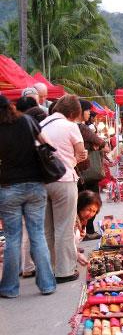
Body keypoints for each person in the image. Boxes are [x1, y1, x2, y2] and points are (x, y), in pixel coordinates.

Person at [0, 95, 56, 297]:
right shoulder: (27, 120)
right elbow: (47, 144)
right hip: (35, 185)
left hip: (8, 188)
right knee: (37, 235)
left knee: (13, 238)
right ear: (10, 106)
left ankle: (9, 288)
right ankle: (47, 285)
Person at [40, 94, 88, 283]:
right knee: (64, 227)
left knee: (47, 229)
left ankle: (50, 269)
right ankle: (65, 270)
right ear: (72, 113)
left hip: (41, 181)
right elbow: (81, 153)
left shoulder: (41, 125)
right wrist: (77, 157)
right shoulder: (70, 127)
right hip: (64, 179)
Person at [77, 100, 106, 240]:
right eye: (88, 110)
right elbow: (101, 142)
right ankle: (88, 230)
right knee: (90, 202)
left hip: (79, 171)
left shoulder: (75, 127)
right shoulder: (81, 127)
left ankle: (83, 230)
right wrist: (93, 145)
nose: (89, 113)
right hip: (87, 171)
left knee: (82, 202)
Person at [75, 191, 102, 266]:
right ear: (81, 206)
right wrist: (75, 254)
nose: (91, 214)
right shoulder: (72, 219)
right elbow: (65, 240)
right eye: (89, 209)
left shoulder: (83, 219)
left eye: (94, 211)